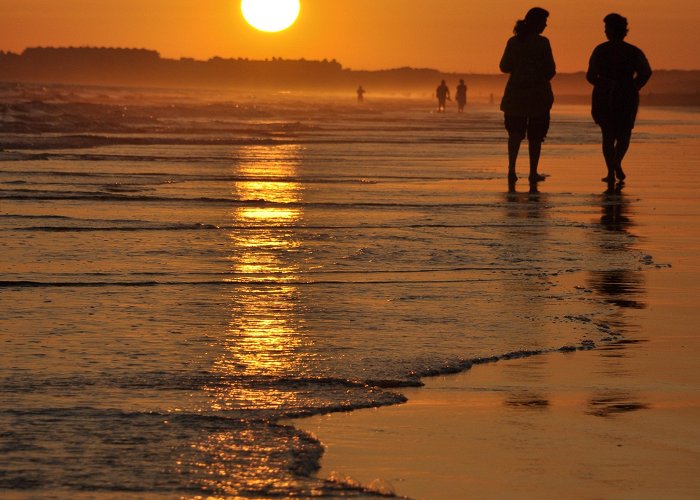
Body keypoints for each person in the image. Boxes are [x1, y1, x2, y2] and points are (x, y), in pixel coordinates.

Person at [586, 13, 652, 184]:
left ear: (611, 30)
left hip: (604, 95)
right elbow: (646, 72)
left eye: (606, 28)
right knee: (624, 133)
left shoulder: (600, 50)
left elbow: (591, 75)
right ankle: (617, 162)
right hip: (626, 95)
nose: (605, 31)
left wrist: (601, 84)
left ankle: (610, 172)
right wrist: (634, 86)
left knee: (607, 134)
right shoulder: (633, 51)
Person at [499, 7, 556, 184]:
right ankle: (532, 172)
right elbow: (550, 70)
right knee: (536, 136)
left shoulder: (513, 42)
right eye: (544, 21)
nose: (546, 25)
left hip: (516, 95)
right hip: (538, 96)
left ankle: (511, 170)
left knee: (515, 134)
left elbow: (504, 66)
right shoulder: (543, 43)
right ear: (536, 22)